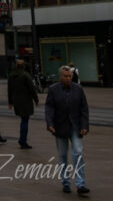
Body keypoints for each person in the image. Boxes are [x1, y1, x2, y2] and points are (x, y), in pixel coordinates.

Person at [45, 64, 89, 195]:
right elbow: (49, 108)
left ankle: (80, 184)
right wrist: (50, 124)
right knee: (63, 155)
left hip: (75, 126)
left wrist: (84, 126)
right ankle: (65, 182)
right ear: (60, 76)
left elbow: (84, 109)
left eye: (70, 76)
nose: (68, 78)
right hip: (60, 126)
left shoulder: (78, 89)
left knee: (78, 152)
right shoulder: (53, 89)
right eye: (65, 76)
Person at [8, 59, 39, 149]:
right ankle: (23, 140)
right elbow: (32, 88)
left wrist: (10, 102)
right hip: (25, 100)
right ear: (24, 66)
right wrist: (36, 99)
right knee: (25, 120)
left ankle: (22, 139)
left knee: (23, 120)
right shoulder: (25, 75)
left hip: (16, 100)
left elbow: (9, 90)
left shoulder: (11, 75)